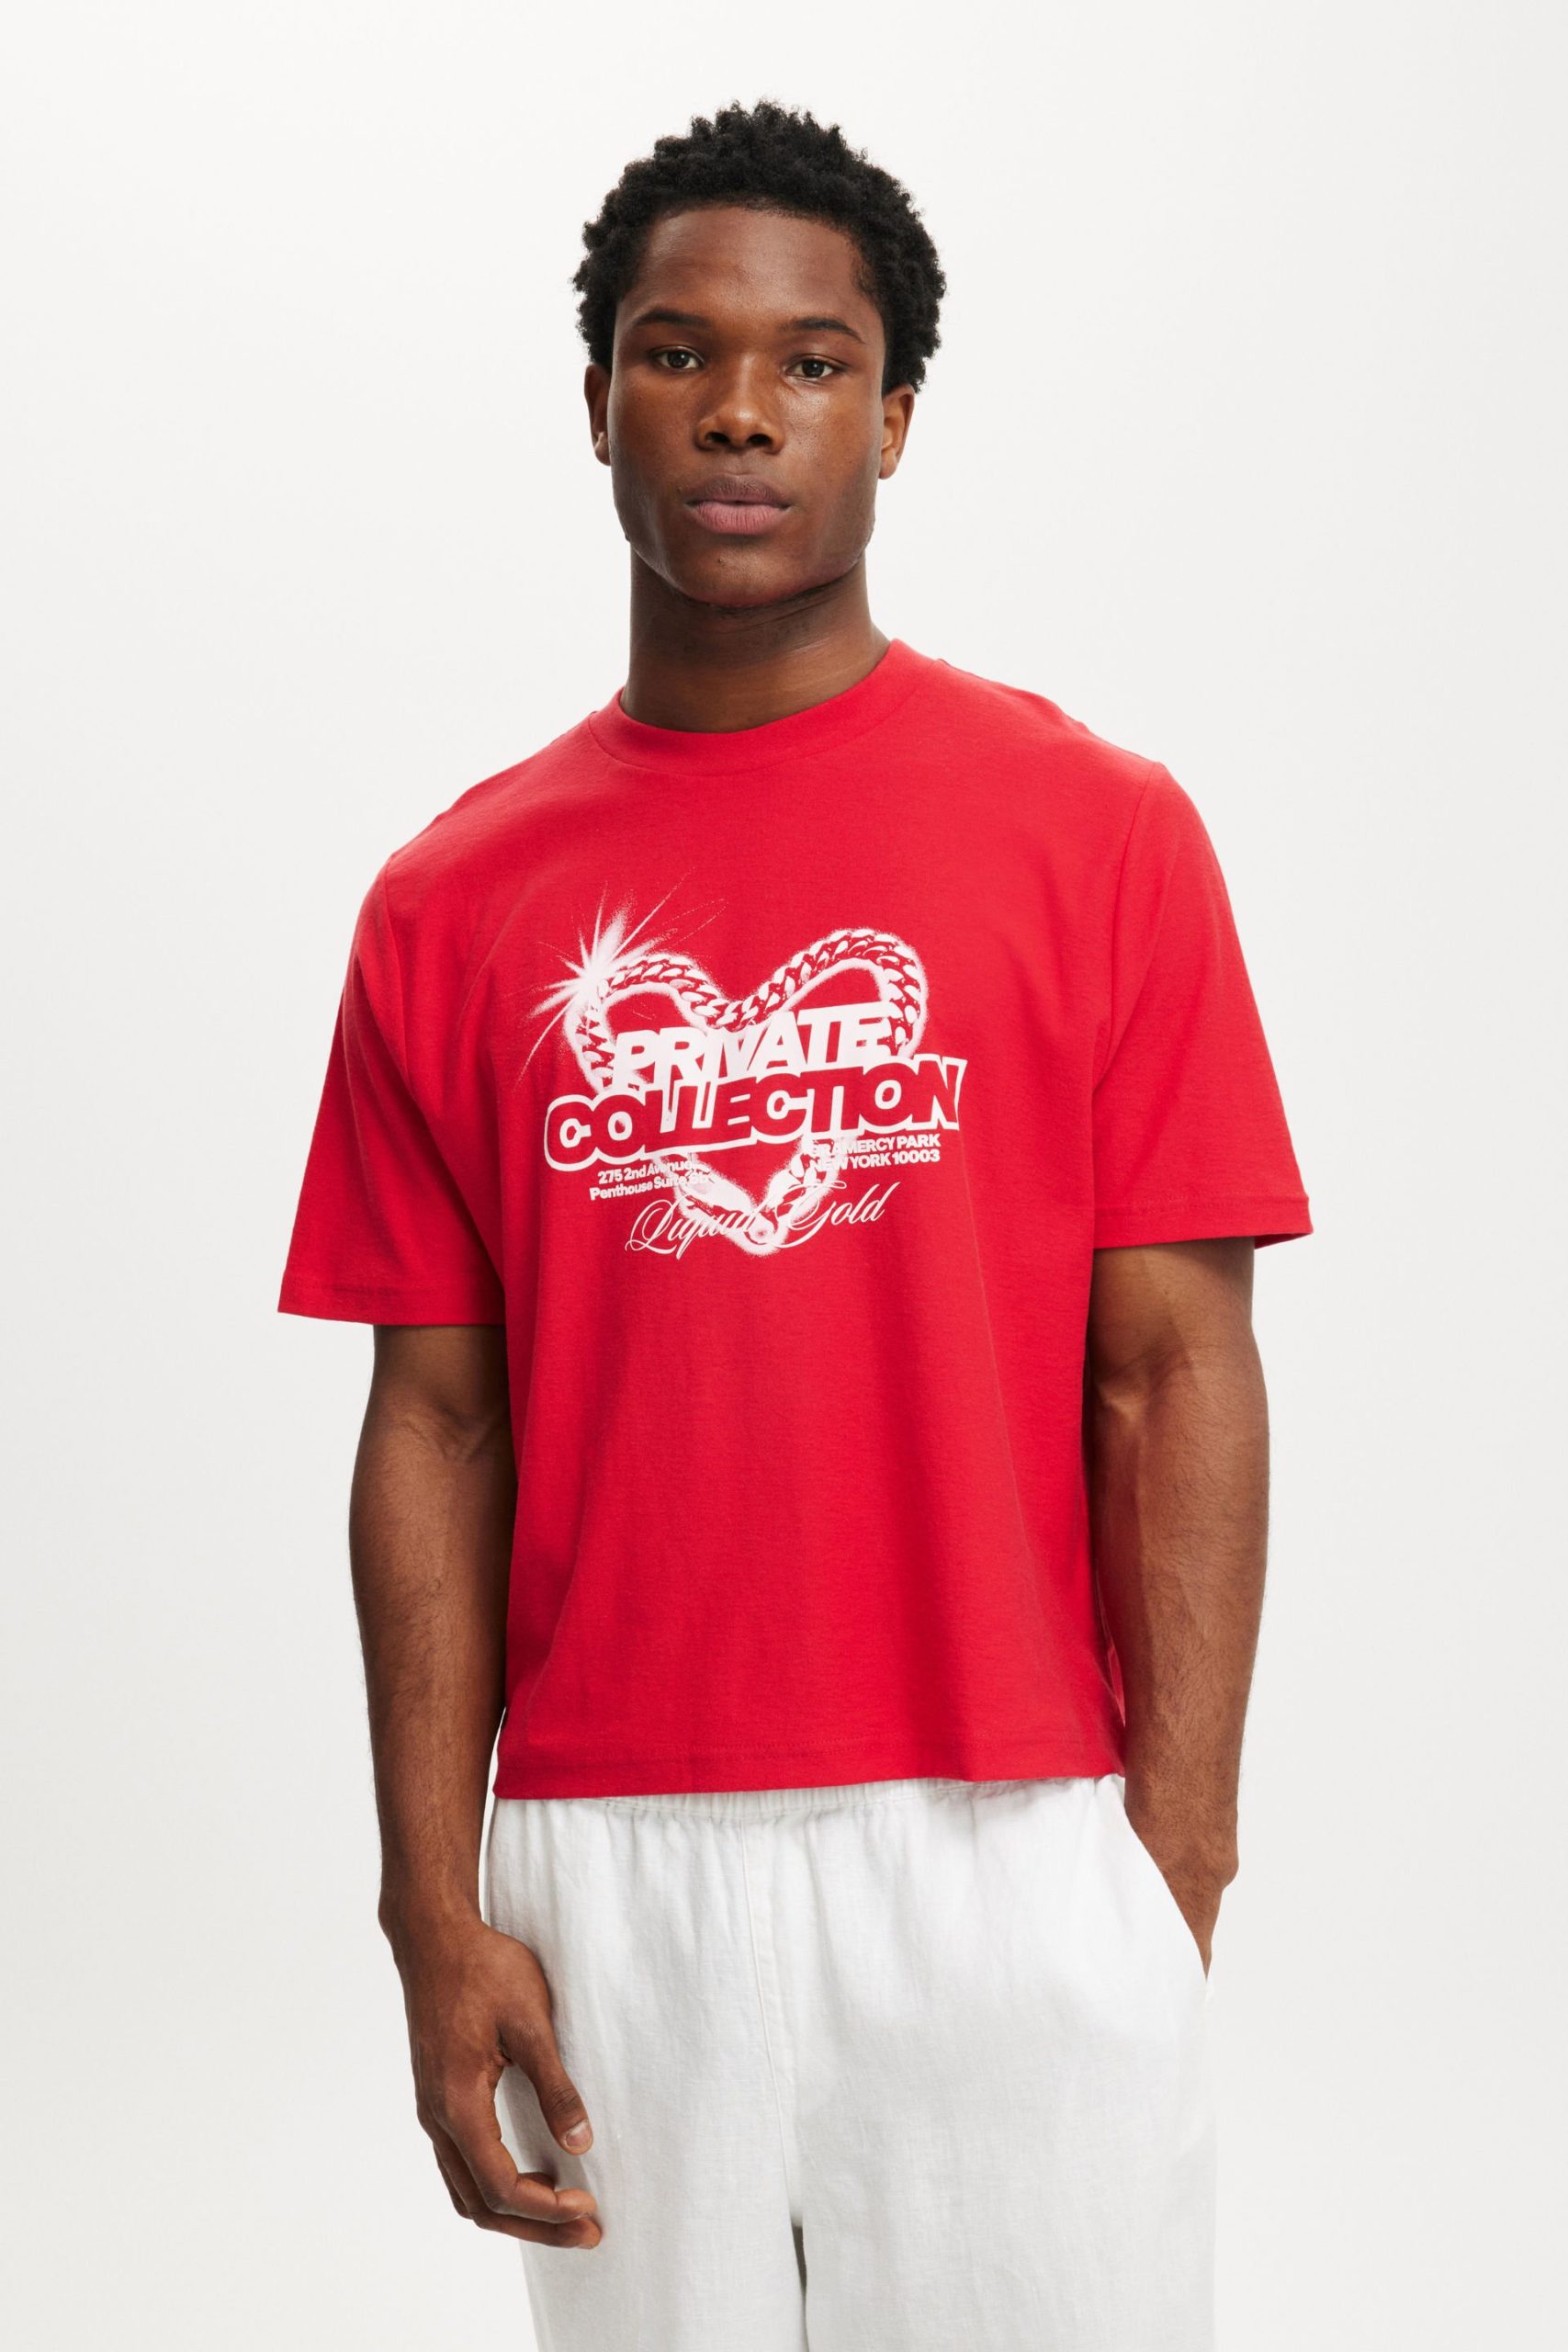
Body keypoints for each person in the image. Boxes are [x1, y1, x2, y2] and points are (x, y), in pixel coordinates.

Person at [278, 96, 1311, 2352]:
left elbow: (1171, 1369)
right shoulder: (452, 901)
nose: (739, 408)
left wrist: (1167, 1868)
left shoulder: (1096, 835)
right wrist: (430, 1905)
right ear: (598, 402)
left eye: (811, 361)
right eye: (677, 351)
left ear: (893, 416)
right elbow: (433, 1423)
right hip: (608, 1855)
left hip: (1006, 1833)